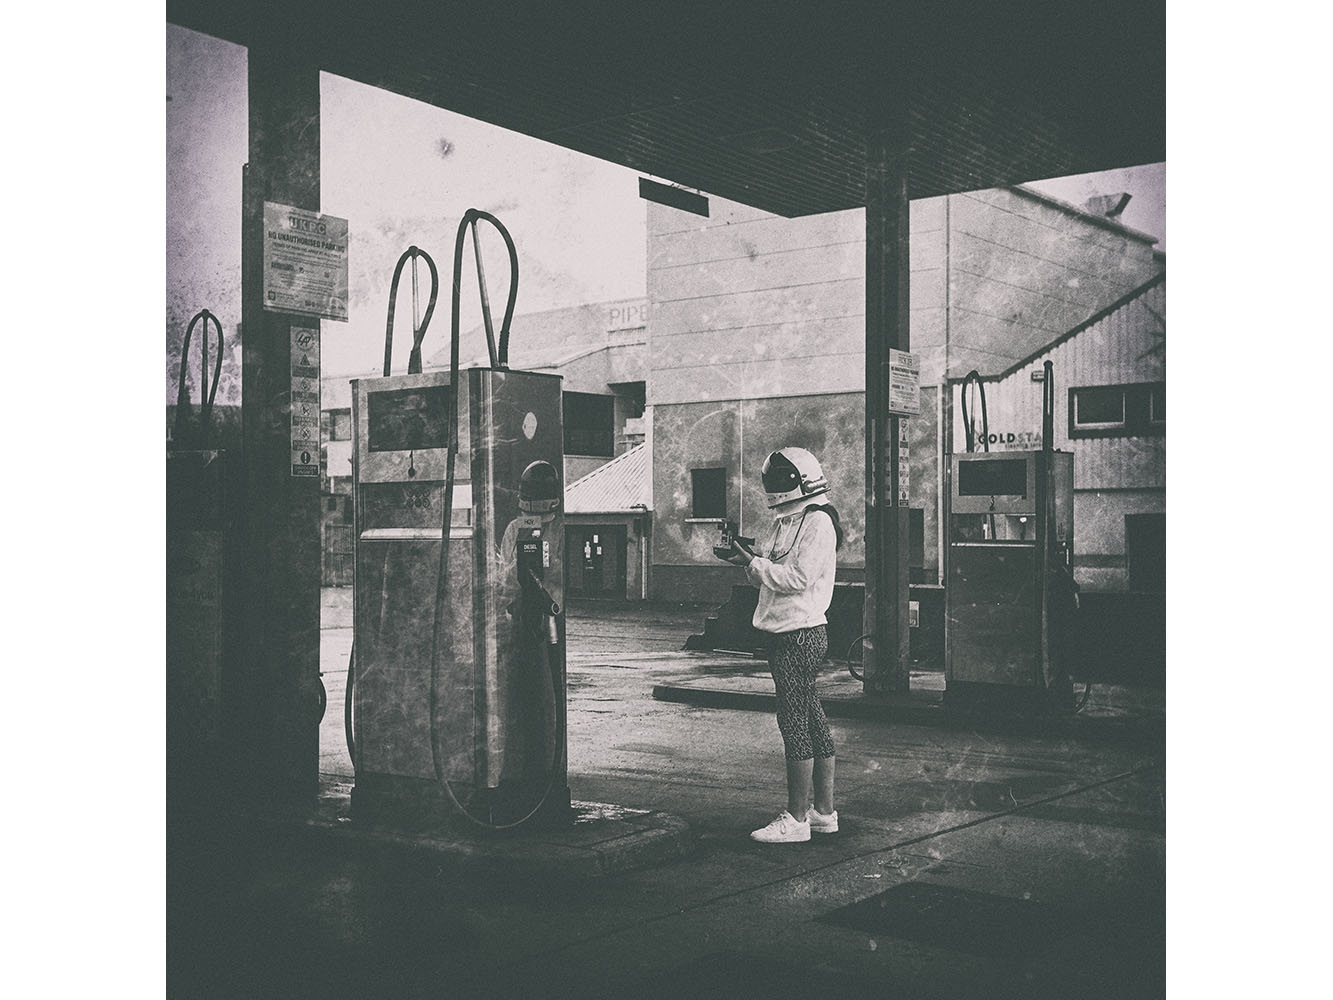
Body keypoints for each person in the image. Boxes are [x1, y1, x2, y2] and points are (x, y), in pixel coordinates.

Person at [717, 447, 842, 843]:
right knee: (812, 719)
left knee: (794, 723)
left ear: (799, 481)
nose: (773, 488)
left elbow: (799, 578)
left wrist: (753, 565)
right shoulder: (791, 519)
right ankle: (823, 812)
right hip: (792, 632)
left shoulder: (817, 522)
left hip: (798, 634)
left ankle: (797, 818)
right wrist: (749, 558)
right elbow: (779, 569)